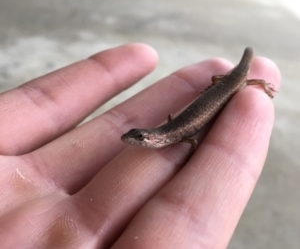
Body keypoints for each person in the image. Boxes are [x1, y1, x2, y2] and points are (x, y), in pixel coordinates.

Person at [0, 43, 280, 248]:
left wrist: (190, 156)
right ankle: (249, 59)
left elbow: (193, 140)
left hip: (228, 87)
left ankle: (257, 76)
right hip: (214, 94)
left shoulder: (173, 136)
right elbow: (184, 135)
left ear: (153, 138)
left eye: (140, 138)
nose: (135, 141)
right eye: (139, 137)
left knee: (236, 83)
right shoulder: (168, 133)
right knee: (226, 81)